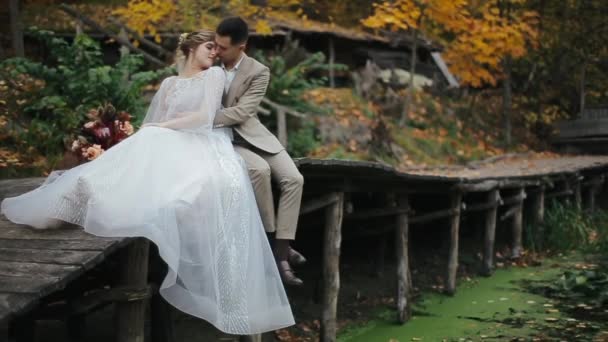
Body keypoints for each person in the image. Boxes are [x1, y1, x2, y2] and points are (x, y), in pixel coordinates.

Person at [0, 30, 294, 335]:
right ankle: (84, 191)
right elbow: (155, 120)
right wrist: (157, 128)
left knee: (161, 155)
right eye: (209, 46)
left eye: (217, 48)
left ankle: (113, 195)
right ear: (191, 47)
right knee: (146, 141)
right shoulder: (169, 83)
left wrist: (161, 127)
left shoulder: (215, 76)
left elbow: (204, 117)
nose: (215, 52)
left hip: (201, 142)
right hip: (169, 139)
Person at [213, 16, 306, 286]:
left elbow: (243, 112)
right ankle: (280, 257)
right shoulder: (208, 63)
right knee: (260, 171)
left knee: (294, 179)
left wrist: (206, 116)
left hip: (254, 135)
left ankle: (281, 248)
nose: (217, 50)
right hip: (225, 139)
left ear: (242, 46)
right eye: (216, 44)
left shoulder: (258, 71)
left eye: (223, 47)